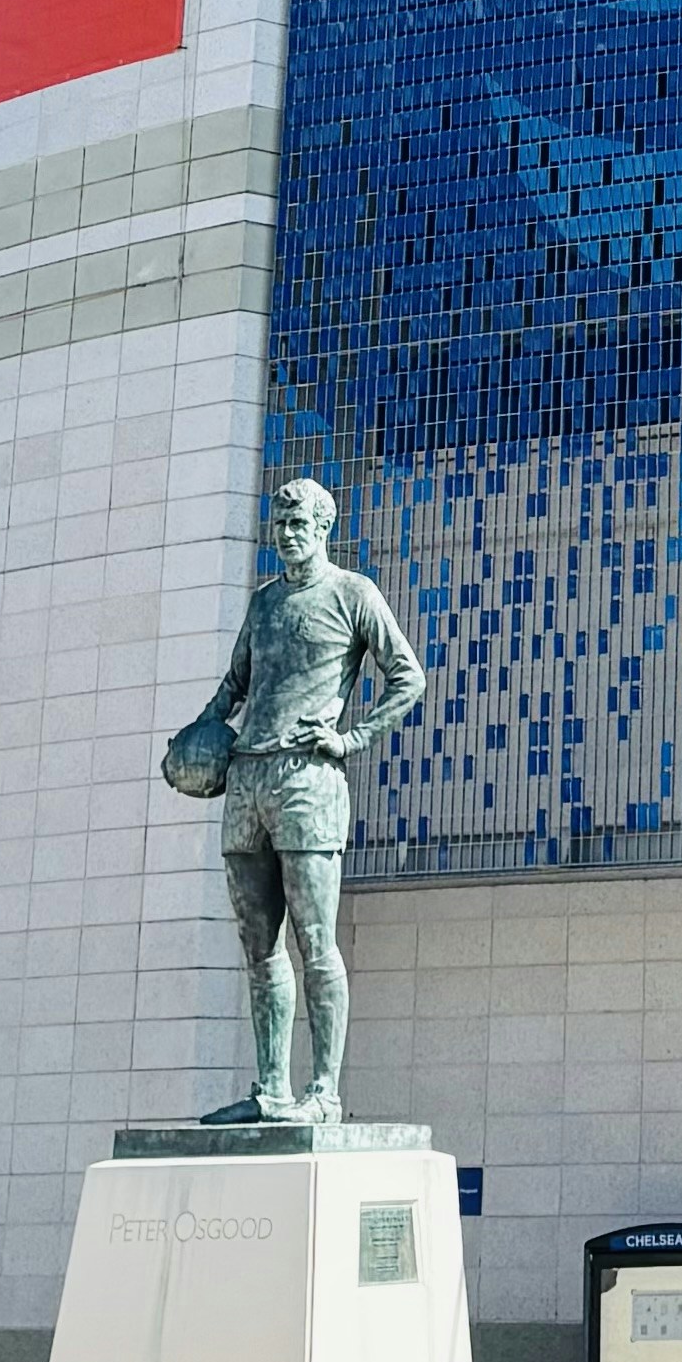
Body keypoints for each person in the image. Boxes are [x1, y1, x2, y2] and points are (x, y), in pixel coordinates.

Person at [161, 477, 424, 1123]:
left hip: (309, 780)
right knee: (258, 946)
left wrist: (351, 737)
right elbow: (233, 687)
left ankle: (323, 1093)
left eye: (298, 523)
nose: (286, 534)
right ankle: (270, 1088)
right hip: (248, 780)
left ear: (324, 526)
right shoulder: (263, 604)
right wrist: (192, 739)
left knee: (314, 939)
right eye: (278, 524)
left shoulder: (351, 594)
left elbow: (407, 676)